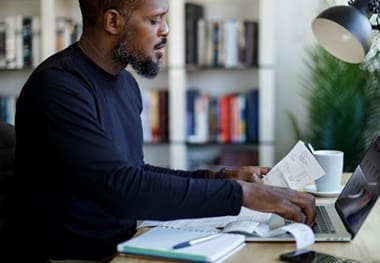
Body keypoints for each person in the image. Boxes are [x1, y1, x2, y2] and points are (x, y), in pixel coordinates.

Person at [8, 0, 316, 262]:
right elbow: (122, 189)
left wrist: (219, 177)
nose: (166, 30)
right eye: (155, 20)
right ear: (113, 21)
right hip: (77, 258)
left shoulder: (124, 84)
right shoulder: (59, 88)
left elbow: (134, 171)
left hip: (123, 245)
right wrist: (242, 194)